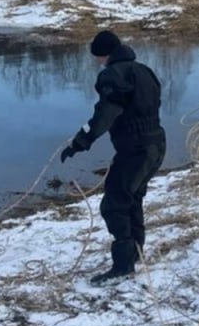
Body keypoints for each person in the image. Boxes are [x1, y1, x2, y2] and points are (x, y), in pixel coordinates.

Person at [61, 30, 166, 283]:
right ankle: (135, 252)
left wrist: (80, 141)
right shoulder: (144, 70)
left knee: (114, 204)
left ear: (102, 54)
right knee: (133, 198)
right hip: (157, 145)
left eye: (97, 57)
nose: (97, 62)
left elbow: (105, 115)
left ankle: (123, 266)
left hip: (136, 150)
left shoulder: (112, 75)